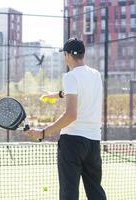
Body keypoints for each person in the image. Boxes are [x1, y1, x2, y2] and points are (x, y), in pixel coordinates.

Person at [28, 38, 107, 200]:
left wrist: (43, 133)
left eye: (64, 54)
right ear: (82, 54)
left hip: (72, 143)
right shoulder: (96, 75)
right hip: (93, 142)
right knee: (95, 191)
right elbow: (82, 90)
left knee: (68, 193)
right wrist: (57, 95)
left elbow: (71, 115)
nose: (64, 57)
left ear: (68, 55)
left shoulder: (70, 77)